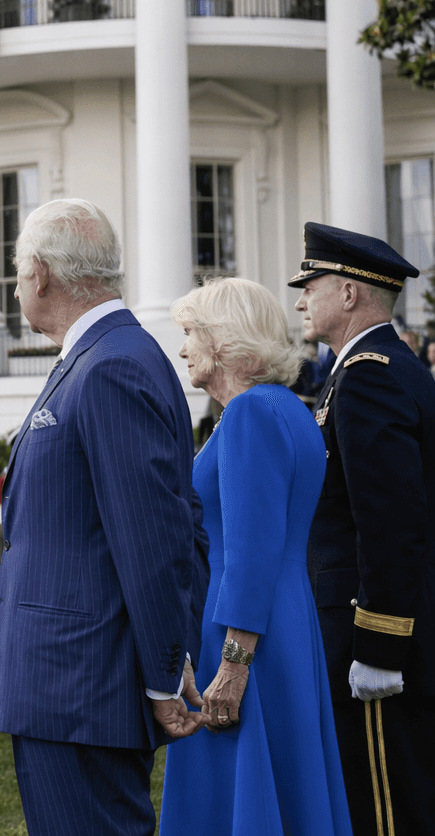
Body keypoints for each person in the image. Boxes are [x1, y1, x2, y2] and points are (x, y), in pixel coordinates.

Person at [0, 200, 208, 836]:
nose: (17, 281)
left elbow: (156, 536)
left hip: (80, 685)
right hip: (69, 683)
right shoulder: (100, 357)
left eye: (17, 267)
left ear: (39, 272)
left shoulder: (110, 363)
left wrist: (168, 673)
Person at [160, 277, 352, 834]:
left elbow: (249, 552)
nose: (183, 347)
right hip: (282, 621)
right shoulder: (287, 409)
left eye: (191, 332)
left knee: (239, 798)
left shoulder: (249, 414)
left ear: (223, 339)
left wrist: (233, 667)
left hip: (245, 634)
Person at [290, 221, 435, 834]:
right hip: (373, 624)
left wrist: (377, 647)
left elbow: (390, 523)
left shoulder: (368, 374)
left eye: (311, 284)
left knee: (384, 807)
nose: (300, 299)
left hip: (369, 631)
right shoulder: (376, 367)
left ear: (349, 293)